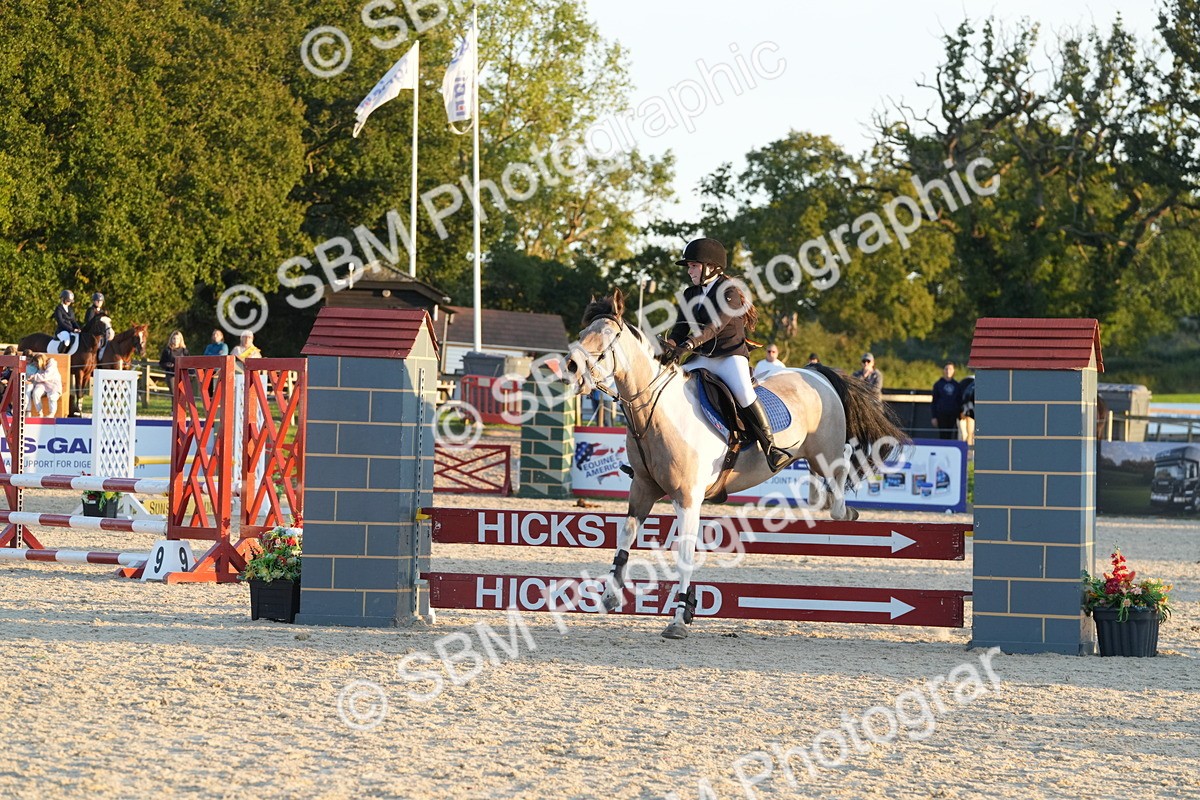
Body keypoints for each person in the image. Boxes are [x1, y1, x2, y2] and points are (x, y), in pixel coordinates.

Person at [661, 237, 790, 472]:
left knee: (743, 392)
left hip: (730, 356)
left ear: (711, 267)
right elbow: (680, 328)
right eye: (689, 266)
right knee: (668, 385)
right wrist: (669, 347)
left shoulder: (729, 292)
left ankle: (771, 448)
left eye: (693, 266)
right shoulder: (690, 294)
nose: (689, 271)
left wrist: (690, 344)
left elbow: (714, 326)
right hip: (703, 357)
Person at [25, 352, 63, 416]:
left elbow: (46, 376)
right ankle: (39, 412)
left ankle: (51, 413)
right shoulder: (40, 367)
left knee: (52, 397)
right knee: (36, 393)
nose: (36, 366)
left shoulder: (51, 364)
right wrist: (31, 380)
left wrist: (34, 377)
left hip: (53, 384)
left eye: (36, 364)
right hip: (42, 384)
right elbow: (38, 377)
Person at [931, 362, 961, 439]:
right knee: (943, 435)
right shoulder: (938, 384)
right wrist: (934, 417)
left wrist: (959, 415)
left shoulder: (957, 385)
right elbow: (934, 401)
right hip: (941, 414)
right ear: (943, 370)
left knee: (951, 435)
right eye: (946, 369)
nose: (948, 371)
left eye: (950, 369)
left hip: (953, 415)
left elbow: (959, 401)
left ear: (954, 371)